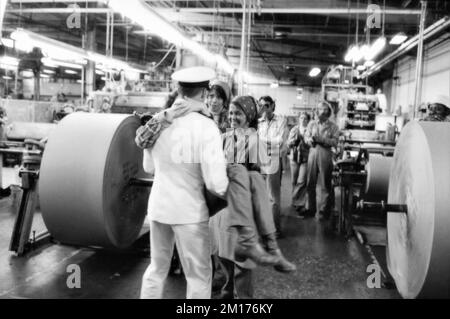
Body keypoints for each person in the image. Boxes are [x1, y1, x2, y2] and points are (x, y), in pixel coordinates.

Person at [138, 66, 229, 299]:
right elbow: (215, 183)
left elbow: (149, 168)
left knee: (157, 269)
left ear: (179, 90)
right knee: (198, 276)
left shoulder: (158, 123)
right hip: (190, 213)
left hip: (158, 209)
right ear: (203, 93)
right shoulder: (207, 127)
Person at [257, 96, 289, 237]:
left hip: (273, 160)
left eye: (267, 105)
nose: (264, 108)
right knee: (259, 195)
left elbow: (279, 140)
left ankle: (275, 229)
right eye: (261, 105)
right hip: (259, 160)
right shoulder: (258, 122)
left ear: (272, 106)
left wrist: (262, 141)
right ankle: (263, 228)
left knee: (273, 197)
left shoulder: (281, 121)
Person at [304, 101, 339, 220]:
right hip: (313, 152)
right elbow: (306, 137)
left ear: (327, 112)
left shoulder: (333, 126)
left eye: (323, 110)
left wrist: (322, 139)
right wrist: (310, 140)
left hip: (325, 153)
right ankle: (310, 208)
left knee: (325, 183)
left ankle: (324, 210)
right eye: (319, 109)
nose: (320, 112)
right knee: (310, 182)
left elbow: (335, 142)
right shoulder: (312, 124)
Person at [287, 112, 311, 217]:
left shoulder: (310, 130)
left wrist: (306, 142)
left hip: (305, 158)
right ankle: (296, 200)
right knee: (294, 181)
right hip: (294, 158)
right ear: (299, 119)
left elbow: (312, 143)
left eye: (305, 118)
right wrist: (293, 141)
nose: (303, 120)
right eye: (301, 118)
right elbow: (288, 143)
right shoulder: (294, 129)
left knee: (301, 181)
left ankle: (298, 202)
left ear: (308, 120)